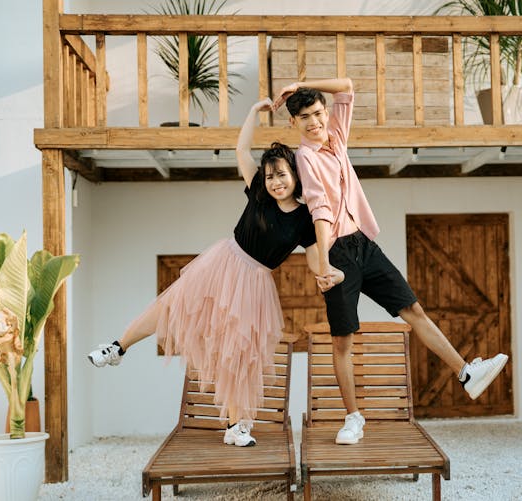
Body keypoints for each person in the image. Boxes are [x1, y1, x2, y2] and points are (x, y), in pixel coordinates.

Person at [87, 98, 343, 447]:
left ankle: (236, 426)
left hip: (254, 283)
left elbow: (315, 258)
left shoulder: (304, 217)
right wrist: (253, 112)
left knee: (239, 353)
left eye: (281, 174)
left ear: (296, 175)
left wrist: (327, 273)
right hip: (224, 262)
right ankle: (117, 348)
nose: (275, 181)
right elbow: (241, 149)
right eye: (270, 176)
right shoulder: (258, 193)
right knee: (171, 303)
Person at [273, 78, 508, 445]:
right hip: (336, 253)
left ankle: (465, 373)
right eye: (305, 117)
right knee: (342, 340)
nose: (314, 121)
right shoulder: (304, 157)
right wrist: (325, 266)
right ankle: (353, 418)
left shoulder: (335, 139)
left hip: (364, 245)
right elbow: (319, 209)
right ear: (294, 123)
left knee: (413, 308)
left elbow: (346, 88)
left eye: (318, 113)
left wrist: (302, 83)